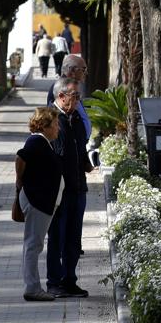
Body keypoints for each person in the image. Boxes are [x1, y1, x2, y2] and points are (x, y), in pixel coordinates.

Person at [45, 77, 93, 298]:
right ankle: (54, 282)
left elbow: (80, 148)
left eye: (79, 97)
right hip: (59, 191)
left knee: (74, 238)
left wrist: (87, 163)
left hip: (78, 187)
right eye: (74, 96)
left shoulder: (75, 118)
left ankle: (69, 280)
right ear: (61, 96)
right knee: (58, 237)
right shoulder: (51, 120)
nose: (77, 101)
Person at [16, 107, 64, 302]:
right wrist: (20, 182)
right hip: (37, 201)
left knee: (33, 244)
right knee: (33, 244)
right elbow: (21, 158)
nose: (58, 128)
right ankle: (32, 288)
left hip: (42, 201)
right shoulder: (36, 142)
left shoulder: (43, 142)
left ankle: (33, 286)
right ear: (44, 126)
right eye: (55, 124)